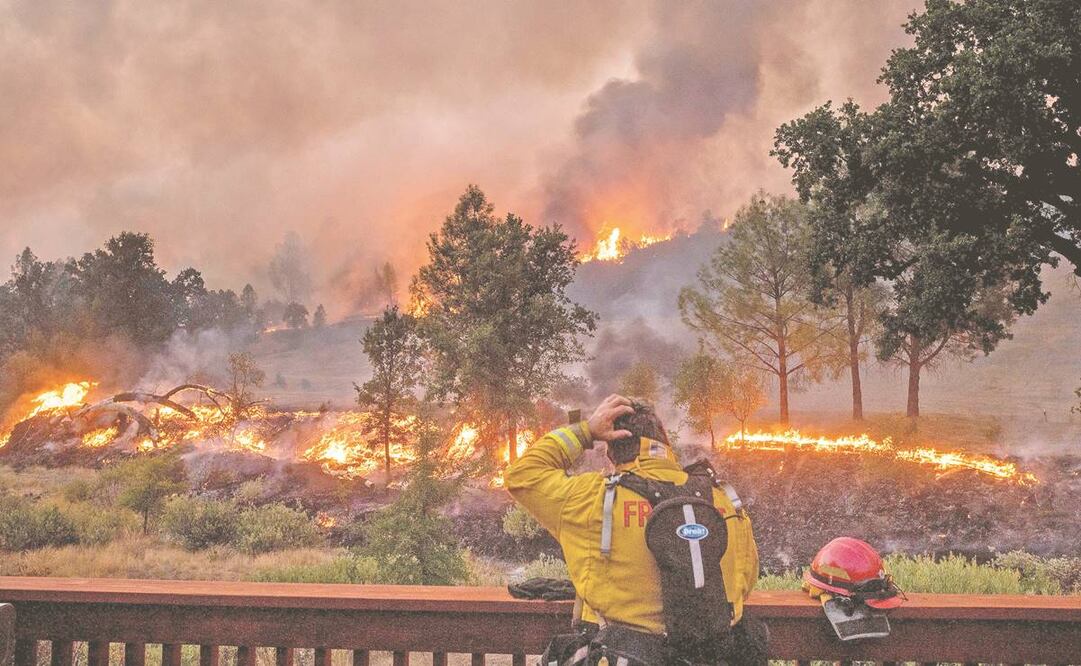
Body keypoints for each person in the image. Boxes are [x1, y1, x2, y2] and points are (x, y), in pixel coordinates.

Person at [505, 394, 764, 665]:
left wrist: (586, 431)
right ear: (666, 445)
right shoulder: (723, 499)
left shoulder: (593, 499)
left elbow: (523, 475)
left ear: (611, 453)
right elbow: (745, 581)